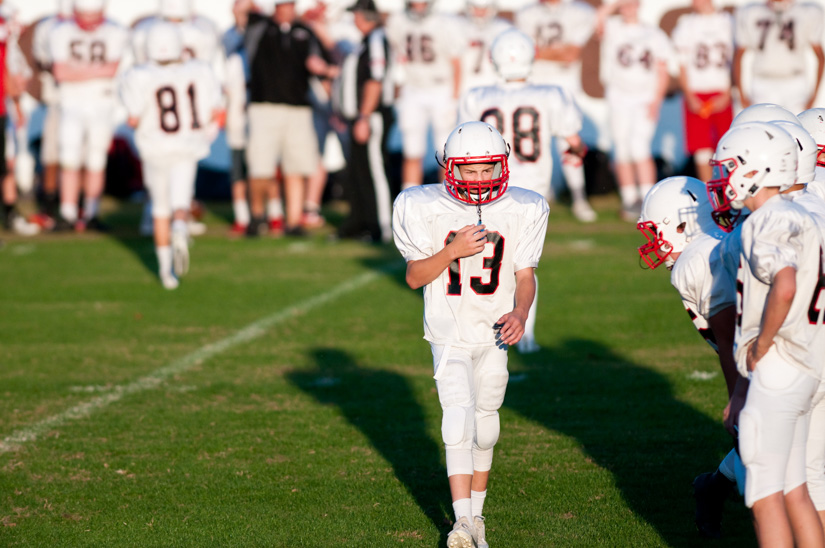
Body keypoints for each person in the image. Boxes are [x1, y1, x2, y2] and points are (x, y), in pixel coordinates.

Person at [392, 121, 550, 548]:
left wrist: (520, 310)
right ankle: (461, 522)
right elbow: (413, 276)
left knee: (486, 425)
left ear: (502, 165)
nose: (478, 180)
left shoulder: (525, 206)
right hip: (449, 329)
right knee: (457, 418)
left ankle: (477, 516)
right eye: (469, 171)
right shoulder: (421, 204)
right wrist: (451, 251)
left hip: (495, 330)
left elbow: (525, 275)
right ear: (450, 168)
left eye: (486, 170)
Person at [707, 121, 825, 547]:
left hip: (780, 368)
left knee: (764, 496)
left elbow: (786, 282)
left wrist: (761, 341)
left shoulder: (764, 220)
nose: (721, 177)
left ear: (755, 169)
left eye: (729, 166)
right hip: (808, 363)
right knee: (796, 490)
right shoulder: (803, 214)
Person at [458, 28, 585, 353]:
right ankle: (523, 333)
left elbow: (461, 145)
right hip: (532, 189)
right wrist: (578, 150)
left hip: (488, 186)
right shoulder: (551, 93)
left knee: (487, 257)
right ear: (532, 56)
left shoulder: (476, 95)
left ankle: (480, 325)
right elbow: (574, 142)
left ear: (493, 59)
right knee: (523, 264)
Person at [636, 175, 741, 538]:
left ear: (681, 224)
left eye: (655, 231)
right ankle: (718, 486)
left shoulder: (699, 256)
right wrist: (737, 394)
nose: (652, 243)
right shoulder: (701, 256)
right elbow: (729, 341)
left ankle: (715, 486)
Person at [119, 22, 223, 289]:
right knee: (180, 203)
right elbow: (216, 111)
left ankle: (166, 271)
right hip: (186, 145)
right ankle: (181, 228)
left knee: (159, 209)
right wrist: (204, 135)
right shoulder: (199, 70)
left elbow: (132, 118)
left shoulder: (138, 75)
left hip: (154, 147)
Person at [237, 0, 337, 236]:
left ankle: (293, 221)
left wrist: (320, 67)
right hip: (264, 107)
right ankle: (257, 216)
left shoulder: (305, 31)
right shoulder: (259, 26)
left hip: (298, 108)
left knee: (297, 167)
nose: (288, 9)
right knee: (260, 167)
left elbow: (324, 60)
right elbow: (241, 11)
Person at [49, 0, 129, 232]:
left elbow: (112, 69)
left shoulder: (114, 31)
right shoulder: (62, 31)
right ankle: (68, 212)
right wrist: (97, 72)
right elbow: (61, 72)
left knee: (96, 160)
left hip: (101, 104)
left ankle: (91, 211)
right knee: (69, 158)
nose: (89, 23)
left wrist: (78, 72)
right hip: (71, 104)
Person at [514, 0, 597, 221]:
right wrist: (556, 52)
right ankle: (537, 195)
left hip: (564, 86)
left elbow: (571, 54)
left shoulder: (579, 12)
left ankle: (579, 196)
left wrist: (540, 52)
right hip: (535, 85)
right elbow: (528, 51)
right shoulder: (527, 13)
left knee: (568, 142)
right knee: (533, 143)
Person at [596, 0, 672, 221]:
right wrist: (614, 4)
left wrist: (656, 101)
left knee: (639, 147)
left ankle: (647, 198)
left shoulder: (653, 34)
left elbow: (662, 69)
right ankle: (630, 199)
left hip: (644, 97)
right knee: (621, 148)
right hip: (619, 96)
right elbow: (598, 20)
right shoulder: (613, 27)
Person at [333, 0, 394, 243]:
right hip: (361, 116)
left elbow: (375, 80)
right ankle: (361, 222)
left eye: (356, 14)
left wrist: (364, 116)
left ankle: (381, 225)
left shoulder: (376, 40)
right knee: (359, 171)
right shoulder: (366, 42)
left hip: (372, 116)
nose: (354, 19)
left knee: (374, 170)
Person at [385, 0, 463, 189]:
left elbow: (457, 63)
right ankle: (409, 196)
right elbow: (397, 55)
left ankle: (449, 196)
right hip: (412, 89)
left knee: (446, 151)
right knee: (411, 150)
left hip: (440, 88)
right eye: (414, 4)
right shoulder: (398, 21)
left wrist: (454, 98)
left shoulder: (445, 23)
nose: (418, 8)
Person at [671, 0, 734, 183]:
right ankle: (710, 193)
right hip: (696, 91)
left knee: (728, 145)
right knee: (702, 148)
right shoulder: (686, 24)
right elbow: (681, 63)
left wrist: (729, 91)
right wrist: (689, 95)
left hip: (722, 91)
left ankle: (732, 192)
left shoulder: (728, 21)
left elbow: (737, 58)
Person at [734, 0, 825, 114]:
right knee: (764, 129)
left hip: (794, 83)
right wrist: (741, 94)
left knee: (796, 128)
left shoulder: (806, 12)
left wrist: (814, 96)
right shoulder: (750, 12)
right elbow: (738, 56)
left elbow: (820, 57)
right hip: (763, 82)